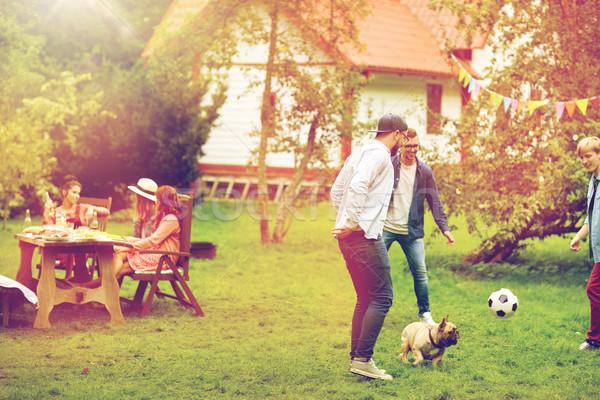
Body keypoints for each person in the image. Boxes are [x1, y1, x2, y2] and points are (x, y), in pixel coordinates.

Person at [331, 112, 408, 381]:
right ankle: (363, 359)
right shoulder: (379, 155)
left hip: (349, 237)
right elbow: (357, 185)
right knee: (383, 297)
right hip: (364, 236)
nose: (403, 142)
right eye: (404, 137)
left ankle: (357, 358)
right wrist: (352, 222)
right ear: (397, 134)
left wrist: (344, 223)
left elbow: (337, 191)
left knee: (365, 298)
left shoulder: (360, 152)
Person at [382, 128, 455, 325]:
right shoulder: (389, 165)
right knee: (376, 269)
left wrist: (445, 229)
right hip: (386, 228)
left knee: (420, 272)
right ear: (402, 145)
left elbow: (435, 202)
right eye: (408, 146)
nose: (412, 149)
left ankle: (425, 313)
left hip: (411, 231)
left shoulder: (425, 172)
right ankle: (374, 306)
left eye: (415, 146)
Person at [79, 185, 182, 288]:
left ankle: (89, 287)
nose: (155, 201)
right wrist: (126, 240)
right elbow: (151, 240)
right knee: (119, 254)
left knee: (120, 269)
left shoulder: (170, 219)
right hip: (156, 253)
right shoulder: (164, 216)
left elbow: (153, 240)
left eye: (157, 199)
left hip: (164, 258)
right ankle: (93, 289)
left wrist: (129, 246)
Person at [570, 136, 600, 351]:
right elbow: (591, 217)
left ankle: (594, 340)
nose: (584, 161)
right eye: (581, 157)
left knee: (594, 289)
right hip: (598, 248)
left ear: (599, 154)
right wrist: (579, 236)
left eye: (588, 156)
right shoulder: (593, 182)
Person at [42, 175, 110, 228]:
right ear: (64, 192)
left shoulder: (82, 208)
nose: (77, 196)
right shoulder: (55, 212)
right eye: (74, 192)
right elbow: (47, 230)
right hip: (61, 245)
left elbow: (106, 212)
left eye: (78, 193)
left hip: (81, 245)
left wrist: (92, 208)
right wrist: (46, 212)